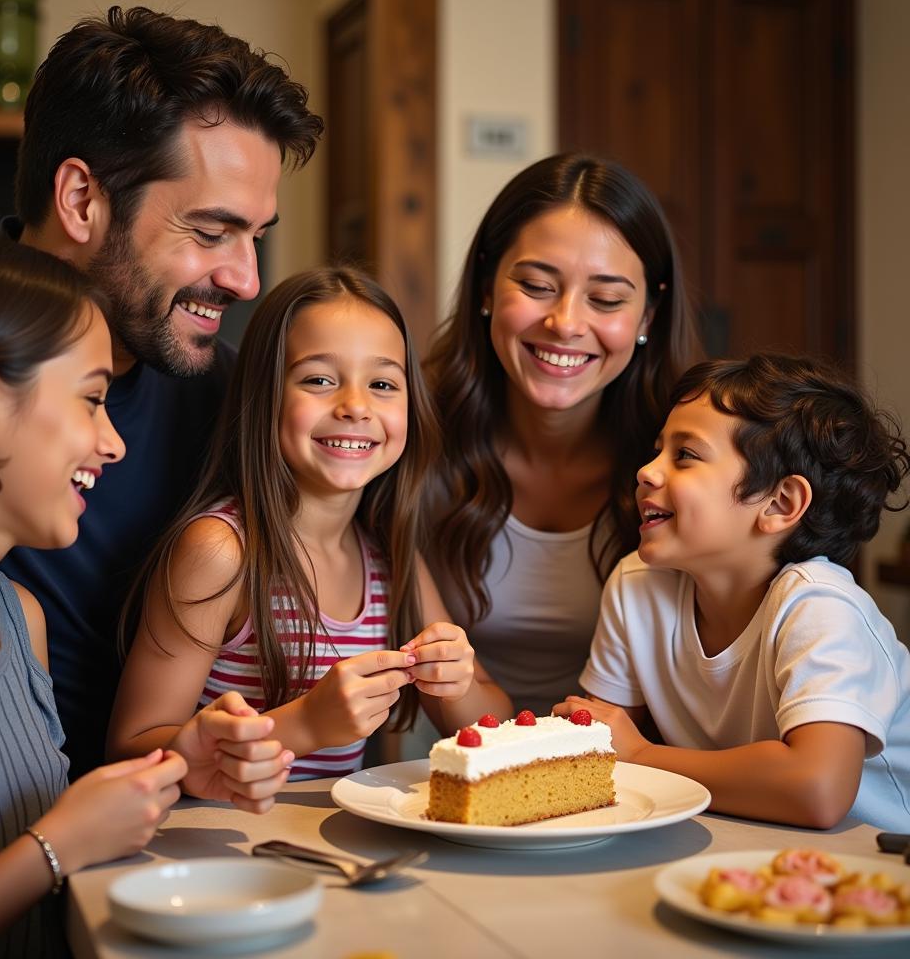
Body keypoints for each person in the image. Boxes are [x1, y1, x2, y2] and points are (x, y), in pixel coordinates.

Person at [0, 6, 324, 783]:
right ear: (83, 199)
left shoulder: (224, 397)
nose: (246, 279)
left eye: (255, 236)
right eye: (211, 230)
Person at [0, 229, 189, 958]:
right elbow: (49, 844)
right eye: (91, 400)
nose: (113, 443)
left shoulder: (23, 621)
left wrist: (178, 765)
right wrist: (52, 849)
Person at [108, 267, 511, 782]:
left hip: (325, 853)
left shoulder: (389, 556)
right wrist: (304, 725)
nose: (355, 407)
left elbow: (494, 726)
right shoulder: (222, 550)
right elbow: (129, 751)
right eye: (319, 379)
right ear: (267, 395)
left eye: (383, 383)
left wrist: (458, 686)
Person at [556, 354, 910, 831]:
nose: (646, 471)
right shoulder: (636, 584)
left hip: (876, 861)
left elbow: (818, 789)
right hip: (747, 842)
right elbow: (593, 743)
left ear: (780, 503)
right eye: (657, 449)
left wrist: (641, 753)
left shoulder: (820, 606)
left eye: (685, 455)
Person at [424, 153, 699, 718]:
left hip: (647, 774)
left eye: (607, 299)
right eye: (537, 285)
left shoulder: (694, 462)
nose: (567, 323)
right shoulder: (410, 436)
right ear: (485, 285)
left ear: (648, 315)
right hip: (473, 759)